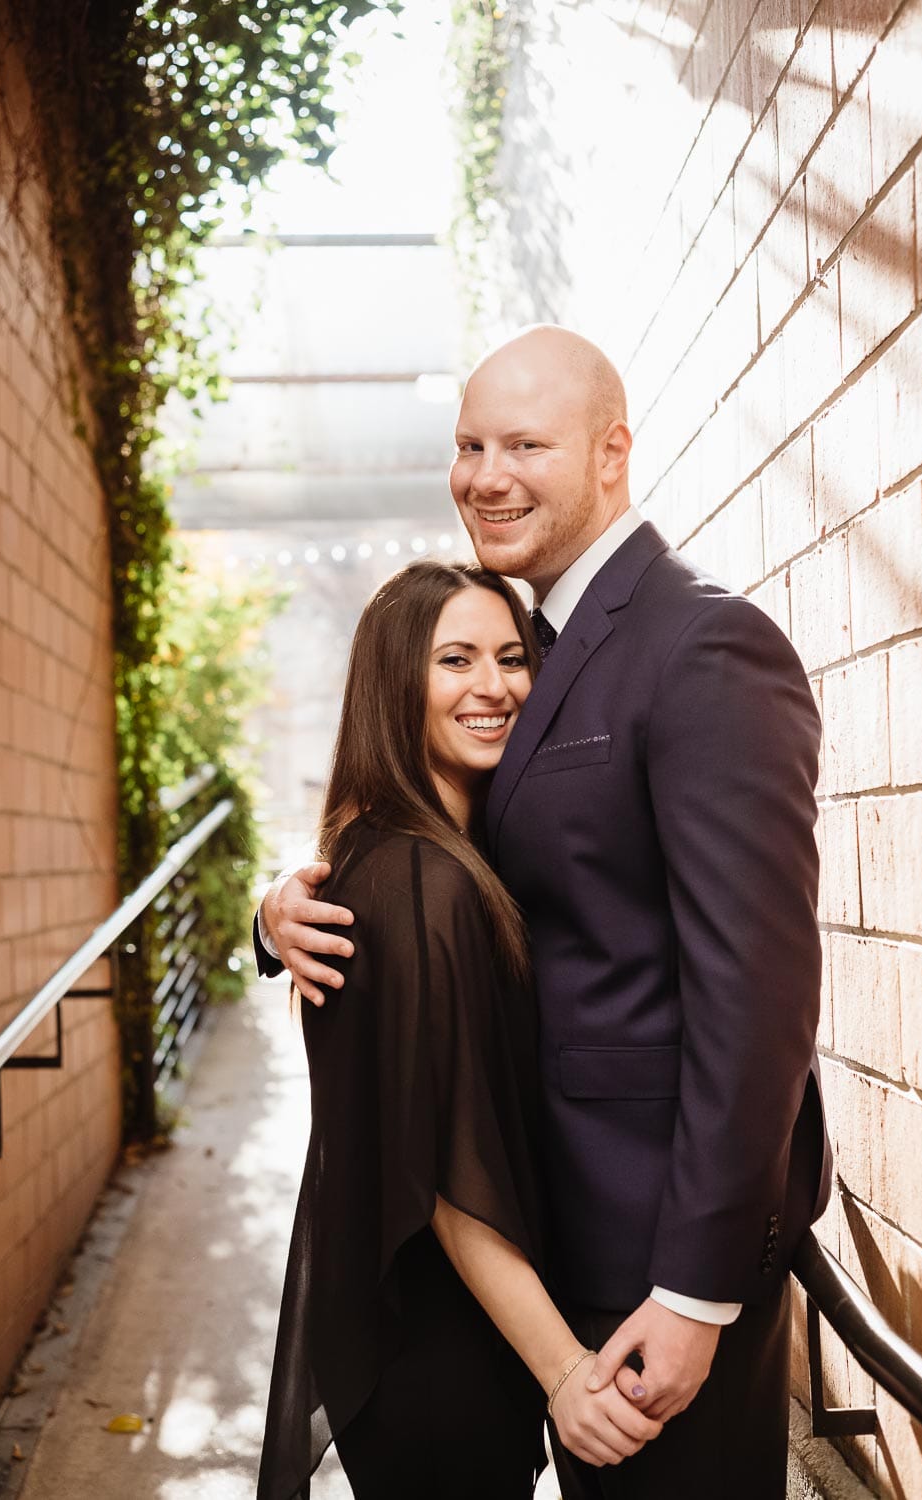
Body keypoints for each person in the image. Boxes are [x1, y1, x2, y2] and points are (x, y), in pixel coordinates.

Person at [256, 326, 832, 1498]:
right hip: (538, 1249)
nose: (486, 474)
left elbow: (756, 995)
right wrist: (284, 910)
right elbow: (447, 856)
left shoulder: (698, 646)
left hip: (655, 1266)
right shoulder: (538, 645)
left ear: (612, 454)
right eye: (469, 444)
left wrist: (694, 1289)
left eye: (526, 443)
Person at [256, 560, 662, 1500]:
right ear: (396, 683)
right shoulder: (415, 880)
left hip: (437, 1328)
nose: (495, 686)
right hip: (433, 1340)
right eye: (456, 660)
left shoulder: (430, 856)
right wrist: (566, 1374)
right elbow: (442, 1172)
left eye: (513, 657)